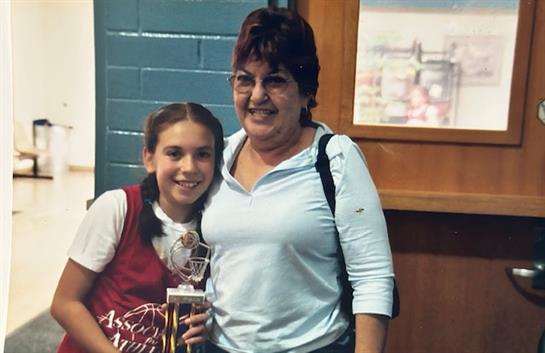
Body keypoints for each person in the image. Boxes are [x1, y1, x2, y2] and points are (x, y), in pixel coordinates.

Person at [201, 7, 396, 353]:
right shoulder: (218, 156)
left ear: (305, 90)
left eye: (274, 80)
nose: (256, 95)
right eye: (245, 79)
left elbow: (372, 278)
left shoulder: (335, 158)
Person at [50, 102, 224, 353]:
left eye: (203, 154)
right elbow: (65, 303)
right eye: (174, 153)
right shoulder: (117, 207)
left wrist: (204, 327)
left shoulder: (215, 228)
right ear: (149, 159)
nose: (189, 167)